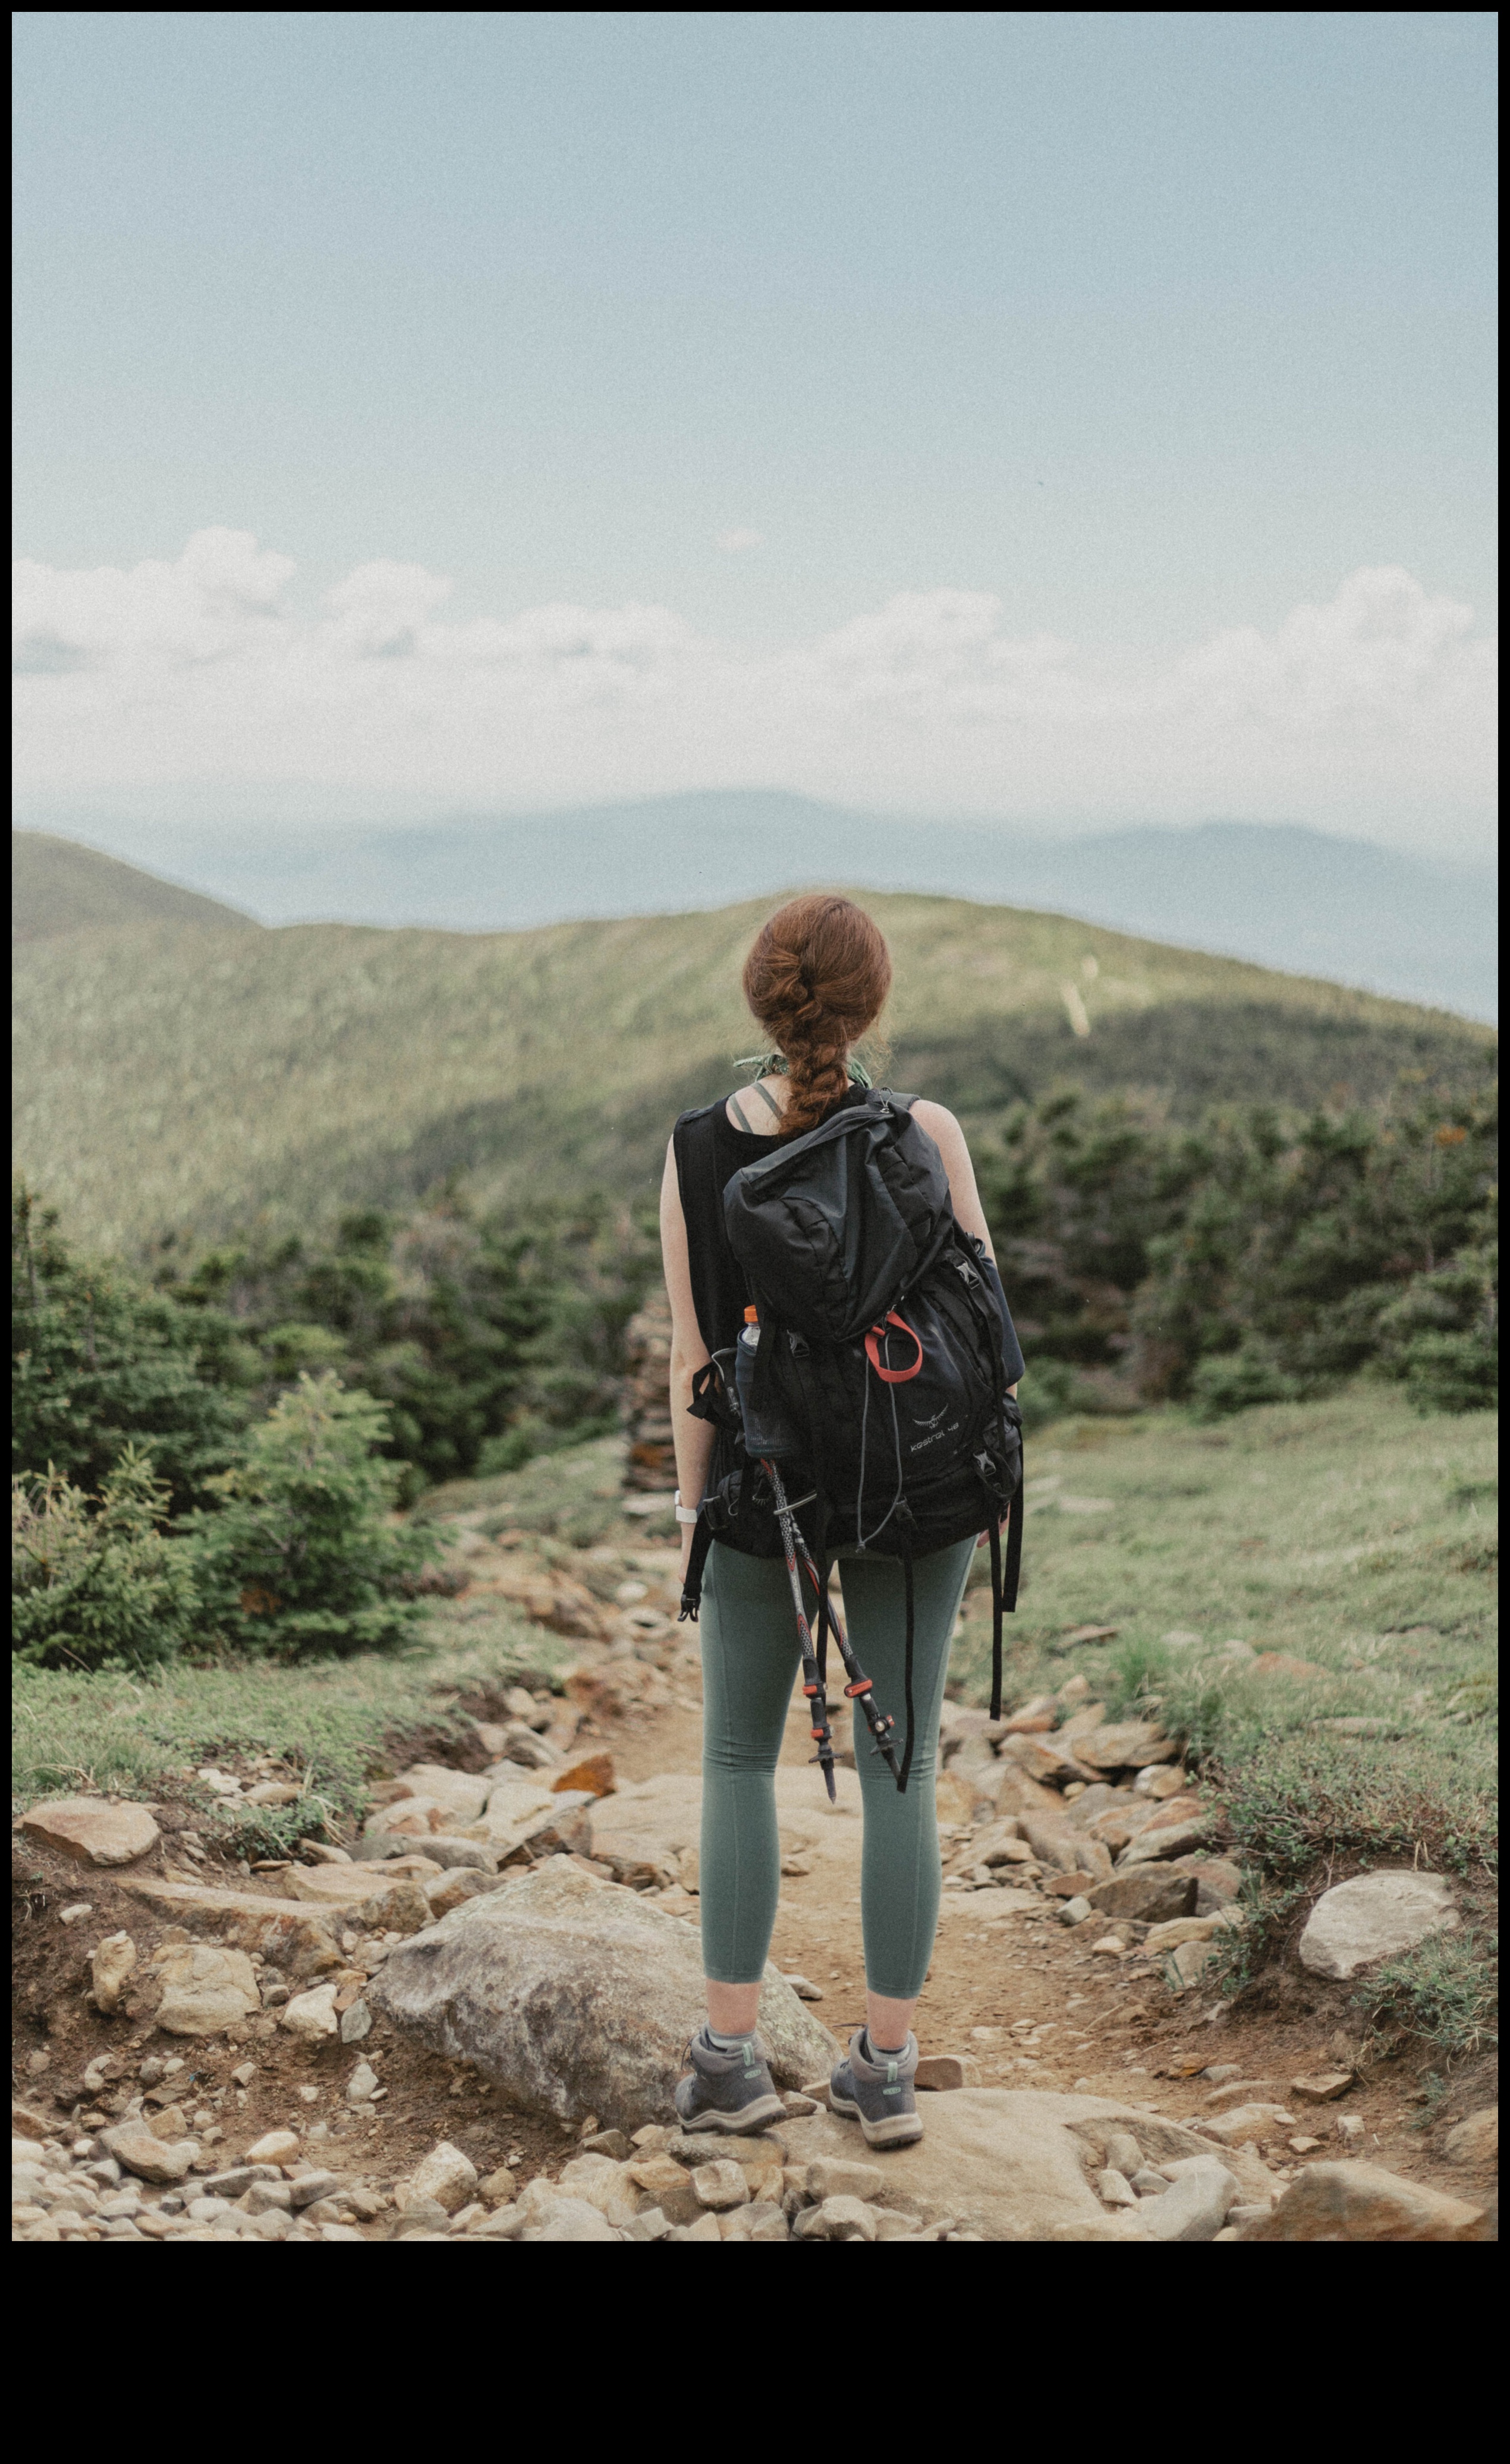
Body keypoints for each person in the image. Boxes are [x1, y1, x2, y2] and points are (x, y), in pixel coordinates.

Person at [660, 892, 1024, 2147]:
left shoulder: (700, 1148)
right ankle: (883, 2067)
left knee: (733, 1762)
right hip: (924, 1488)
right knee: (903, 1770)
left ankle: (729, 2060)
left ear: (760, 1003)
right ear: (872, 1007)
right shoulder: (925, 1132)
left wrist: (687, 1504)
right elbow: (988, 1330)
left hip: (764, 1488)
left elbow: (693, 1352)